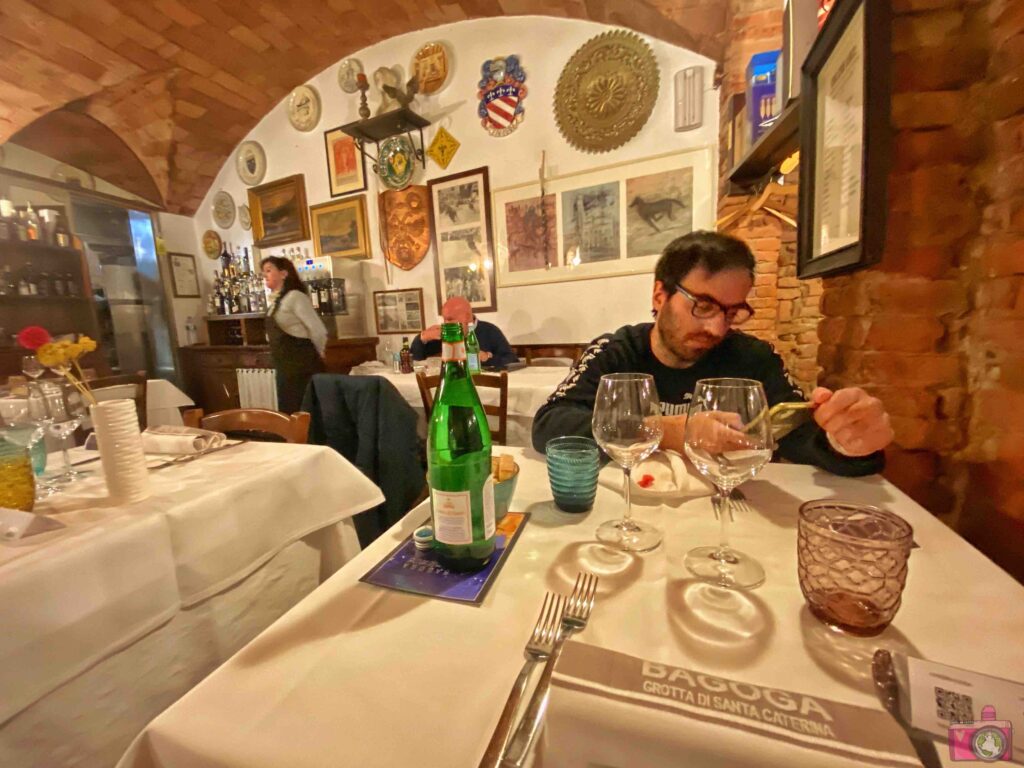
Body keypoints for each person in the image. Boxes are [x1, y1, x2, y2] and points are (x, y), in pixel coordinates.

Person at [532, 231, 894, 476]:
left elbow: (798, 437)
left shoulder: (752, 359)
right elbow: (549, 427)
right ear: (660, 296)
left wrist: (848, 442)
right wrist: (669, 431)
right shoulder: (617, 353)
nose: (717, 329)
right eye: (704, 306)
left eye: (732, 311)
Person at [261, 256, 327, 414]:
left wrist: (319, 354)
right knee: (288, 413)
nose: (264, 275)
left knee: (305, 413)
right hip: (285, 369)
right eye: (263, 272)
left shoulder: (295, 297)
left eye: (269, 270)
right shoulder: (274, 303)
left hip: (302, 368)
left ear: (284, 274)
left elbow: (318, 330)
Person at [411, 295, 519, 369]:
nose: (446, 324)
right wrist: (422, 338)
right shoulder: (445, 333)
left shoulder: (489, 331)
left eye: (450, 319)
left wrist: (487, 357)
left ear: (467, 317)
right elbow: (417, 358)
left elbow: (512, 360)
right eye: (444, 319)